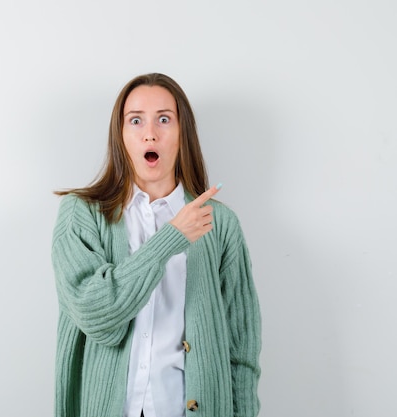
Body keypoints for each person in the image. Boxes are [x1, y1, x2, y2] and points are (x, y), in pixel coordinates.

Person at [51, 73, 261, 417]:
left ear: (183, 135)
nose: (150, 133)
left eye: (164, 119)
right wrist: (169, 239)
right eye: (136, 121)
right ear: (121, 136)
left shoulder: (220, 224)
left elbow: (241, 349)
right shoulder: (80, 214)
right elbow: (94, 313)